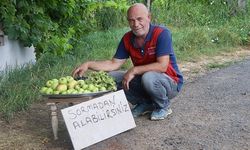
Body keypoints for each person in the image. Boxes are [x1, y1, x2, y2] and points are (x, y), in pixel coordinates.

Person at [72, 3, 183, 121]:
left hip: (170, 83)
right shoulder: (127, 38)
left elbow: (162, 66)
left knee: (148, 77)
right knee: (111, 77)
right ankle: (144, 103)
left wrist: (134, 70)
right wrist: (88, 64)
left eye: (139, 19)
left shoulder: (161, 33)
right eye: (131, 20)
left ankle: (163, 106)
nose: (136, 24)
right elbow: (113, 64)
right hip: (146, 80)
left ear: (149, 17)